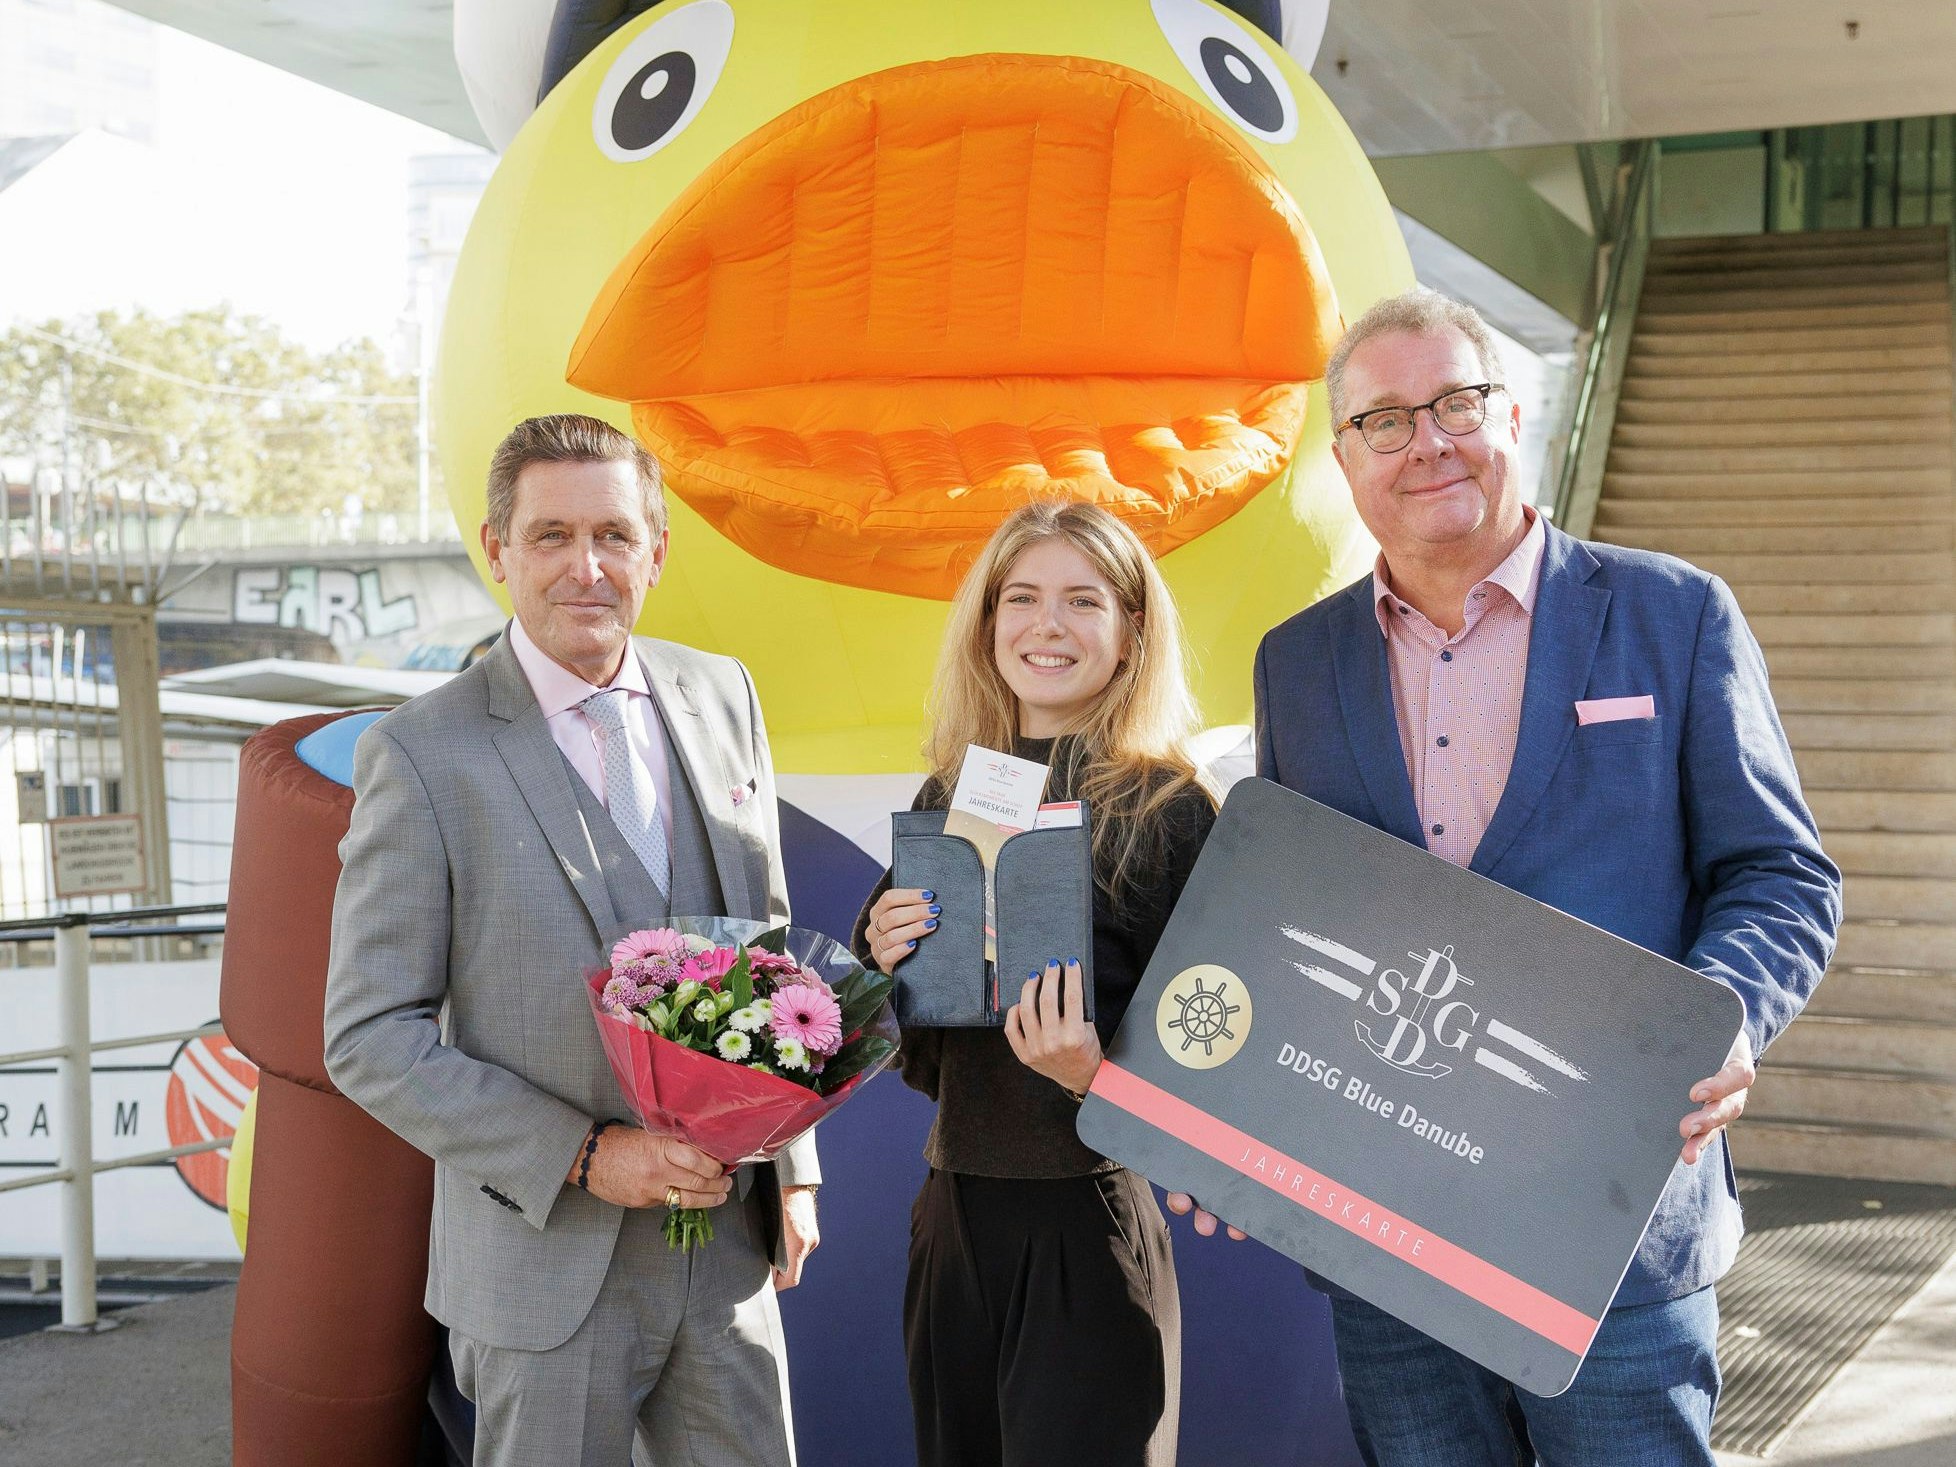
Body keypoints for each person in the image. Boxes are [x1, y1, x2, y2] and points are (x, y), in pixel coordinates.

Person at [1188, 288, 1841, 1463]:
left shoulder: (1672, 615)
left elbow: (1780, 874)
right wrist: (1213, 1113)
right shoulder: (1298, 662)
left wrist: (1722, 1016)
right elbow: (1282, 916)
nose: (1426, 442)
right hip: (1382, 1224)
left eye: (1455, 403)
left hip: (1614, 1224)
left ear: (1516, 415)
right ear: (1344, 459)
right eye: (1384, 420)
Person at [323, 413, 820, 1467]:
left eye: (613, 536)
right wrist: (589, 1157)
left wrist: (798, 1168)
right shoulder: (420, 754)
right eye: (551, 536)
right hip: (540, 1261)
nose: (585, 567)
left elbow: (778, 958)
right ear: (498, 550)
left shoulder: (722, 696)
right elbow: (369, 1036)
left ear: (657, 550)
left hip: (728, 1241)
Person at [853, 501, 1217, 1467]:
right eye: (1021, 597)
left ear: (1134, 627)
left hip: (1086, 1215)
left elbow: (1225, 1063)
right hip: (955, 1209)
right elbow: (925, 1044)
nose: (1046, 624)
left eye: (1082, 599)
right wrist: (877, 946)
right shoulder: (954, 792)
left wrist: (1096, 1075)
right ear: (986, 624)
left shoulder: (1172, 810)